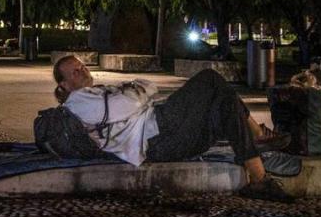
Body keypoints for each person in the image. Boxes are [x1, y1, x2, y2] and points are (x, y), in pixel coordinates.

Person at [52, 56, 292, 201]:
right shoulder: (78, 102)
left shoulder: (95, 94)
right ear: (63, 84)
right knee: (209, 78)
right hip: (156, 136)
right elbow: (137, 97)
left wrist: (135, 94)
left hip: (163, 132)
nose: (82, 70)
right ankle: (259, 147)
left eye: (82, 66)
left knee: (225, 100)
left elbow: (142, 90)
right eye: (74, 71)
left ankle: (258, 171)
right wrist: (135, 92)